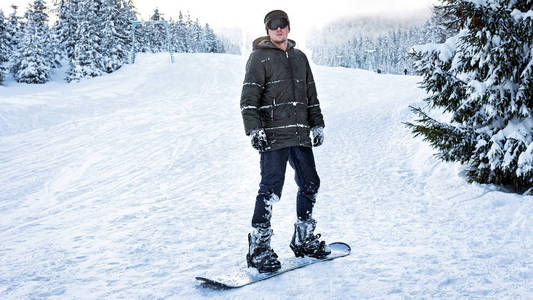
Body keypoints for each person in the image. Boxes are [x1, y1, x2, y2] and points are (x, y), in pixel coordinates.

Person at [240, 9, 330, 273]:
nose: (279, 29)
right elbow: (248, 100)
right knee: (270, 190)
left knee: (310, 183)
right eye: (273, 25)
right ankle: (259, 248)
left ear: (289, 28)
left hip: (300, 133)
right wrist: (254, 130)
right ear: (267, 29)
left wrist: (318, 123)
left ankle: (303, 238)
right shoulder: (259, 58)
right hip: (274, 136)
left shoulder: (300, 57)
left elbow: (311, 95)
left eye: (283, 25)